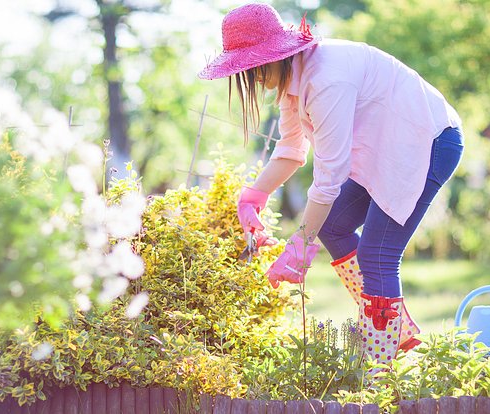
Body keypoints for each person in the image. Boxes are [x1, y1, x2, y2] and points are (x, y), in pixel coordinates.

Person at [198, 3, 464, 372]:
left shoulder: (325, 79)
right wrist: (253, 195)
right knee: (333, 225)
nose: (252, 76)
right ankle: (390, 328)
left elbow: (331, 176)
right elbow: (292, 150)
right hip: (386, 147)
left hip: (428, 141)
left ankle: (381, 373)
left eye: (253, 64)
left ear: (275, 53)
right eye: (244, 67)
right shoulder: (294, 80)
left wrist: (300, 243)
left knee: (378, 255)